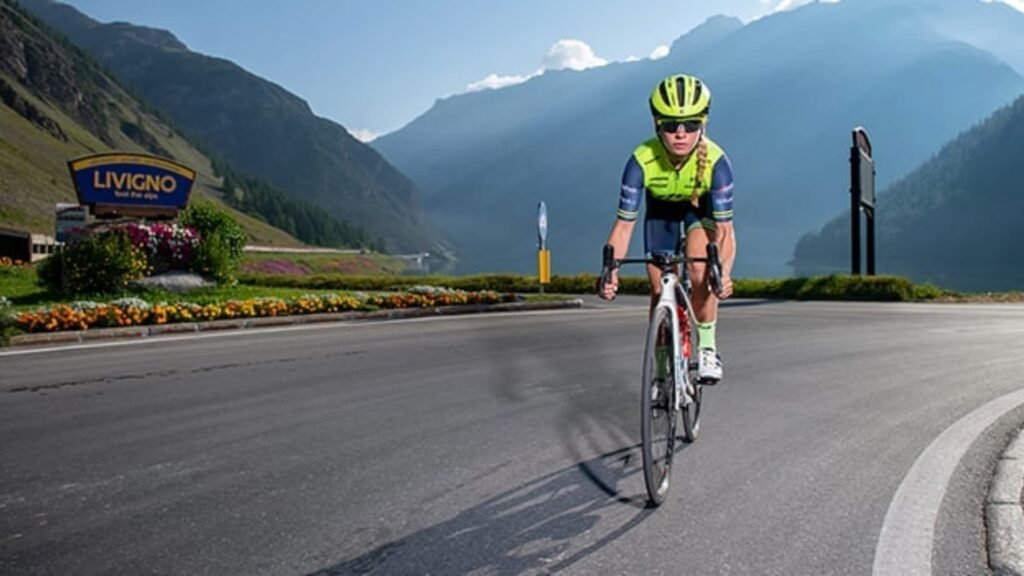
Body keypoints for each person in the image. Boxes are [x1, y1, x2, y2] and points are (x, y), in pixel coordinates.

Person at [599, 73, 736, 382]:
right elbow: (623, 226)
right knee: (660, 289)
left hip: (700, 214)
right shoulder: (640, 160)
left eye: (690, 125)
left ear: (703, 124)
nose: (680, 133)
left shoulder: (717, 162)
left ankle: (708, 349)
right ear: (656, 126)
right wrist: (610, 272)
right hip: (660, 215)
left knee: (703, 274)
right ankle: (661, 369)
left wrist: (723, 273)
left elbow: (726, 231)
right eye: (670, 125)